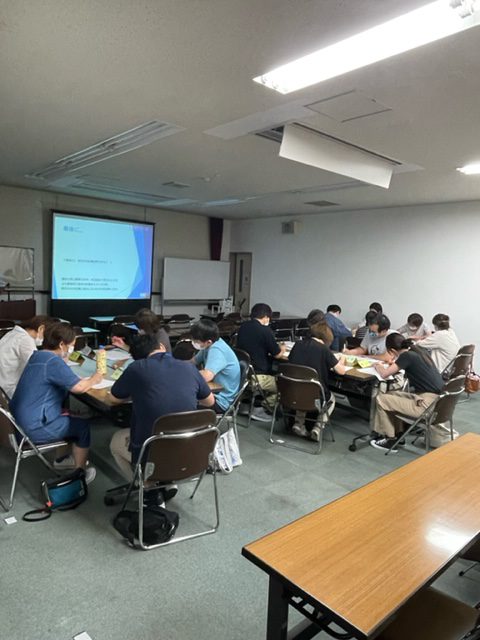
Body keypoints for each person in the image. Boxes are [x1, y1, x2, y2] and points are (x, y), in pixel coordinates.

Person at [109, 334, 214, 482]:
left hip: (152, 456)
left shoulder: (136, 368)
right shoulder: (189, 367)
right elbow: (210, 402)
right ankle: (168, 484)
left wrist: (137, 392)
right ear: (162, 347)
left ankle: (147, 487)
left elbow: (114, 398)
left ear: (138, 358)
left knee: (115, 441)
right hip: (193, 453)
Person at [10, 322, 102, 481]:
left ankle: (61, 460)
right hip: (34, 429)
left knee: (69, 414)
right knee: (82, 427)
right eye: (71, 346)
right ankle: (79, 475)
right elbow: (79, 388)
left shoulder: (38, 355)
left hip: (19, 424)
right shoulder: (52, 362)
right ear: (61, 344)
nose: (72, 349)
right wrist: (95, 378)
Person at [369, 332, 444, 452]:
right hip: (437, 401)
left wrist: (377, 365)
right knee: (391, 395)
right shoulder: (419, 351)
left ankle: (390, 439)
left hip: (426, 404)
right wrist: (394, 364)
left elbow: (384, 374)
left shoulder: (406, 356)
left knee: (381, 399)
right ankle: (399, 435)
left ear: (392, 351)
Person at [288, 320, 347, 441]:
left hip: (293, 391)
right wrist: (342, 359)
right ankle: (318, 427)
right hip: (315, 396)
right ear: (325, 338)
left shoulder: (298, 344)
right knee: (331, 399)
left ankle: (299, 424)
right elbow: (341, 371)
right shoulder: (323, 349)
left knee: (303, 387)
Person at [236, 302, 285, 421]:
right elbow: (277, 354)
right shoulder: (265, 331)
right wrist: (282, 348)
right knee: (285, 386)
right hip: (258, 377)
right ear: (266, 317)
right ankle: (262, 406)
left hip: (243, 373)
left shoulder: (243, 327)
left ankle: (246, 405)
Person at [191, 319, 240, 414]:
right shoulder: (208, 345)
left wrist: (186, 375)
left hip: (220, 400)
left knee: (181, 401)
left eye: (196, 341)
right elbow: (193, 361)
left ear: (208, 342)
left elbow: (207, 376)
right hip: (213, 392)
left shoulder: (217, 350)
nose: (193, 342)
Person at [0, 315, 51, 398]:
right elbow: (37, 368)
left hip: (3, 387)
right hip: (8, 391)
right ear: (41, 328)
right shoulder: (25, 340)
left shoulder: (13, 333)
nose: (44, 340)